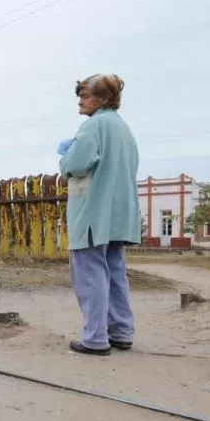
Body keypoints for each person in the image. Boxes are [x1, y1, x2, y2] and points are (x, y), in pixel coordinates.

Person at [58, 74, 140, 356]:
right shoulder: (124, 129)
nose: (80, 100)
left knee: (90, 273)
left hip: (93, 212)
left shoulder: (93, 126)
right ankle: (121, 331)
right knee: (116, 272)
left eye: (86, 95)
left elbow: (78, 163)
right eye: (79, 95)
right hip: (119, 215)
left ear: (104, 99)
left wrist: (64, 158)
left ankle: (95, 338)